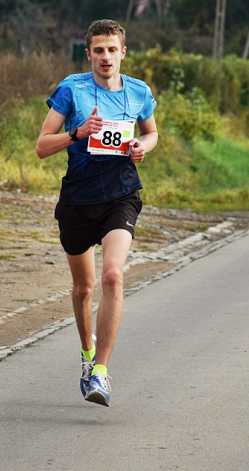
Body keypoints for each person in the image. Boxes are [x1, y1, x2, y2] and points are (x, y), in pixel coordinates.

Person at [35, 20, 158, 407]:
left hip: (121, 193)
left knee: (112, 275)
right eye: (99, 50)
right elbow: (40, 146)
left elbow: (152, 132)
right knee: (84, 288)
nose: (106, 57)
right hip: (78, 199)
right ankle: (87, 355)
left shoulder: (139, 91)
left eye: (112, 49)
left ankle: (101, 374)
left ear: (123, 52)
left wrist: (143, 147)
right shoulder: (72, 89)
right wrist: (78, 133)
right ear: (88, 54)